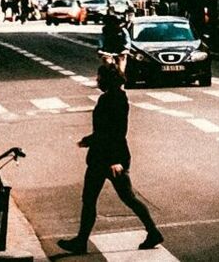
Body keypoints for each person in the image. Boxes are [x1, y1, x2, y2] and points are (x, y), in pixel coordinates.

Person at [58, 63, 163, 255]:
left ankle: (153, 232)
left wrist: (115, 160)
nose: (97, 81)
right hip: (101, 157)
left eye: (99, 77)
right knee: (94, 199)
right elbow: (104, 131)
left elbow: (116, 132)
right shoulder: (113, 97)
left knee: (123, 198)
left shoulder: (113, 100)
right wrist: (88, 141)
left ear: (107, 79)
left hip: (107, 159)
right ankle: (81, 241)